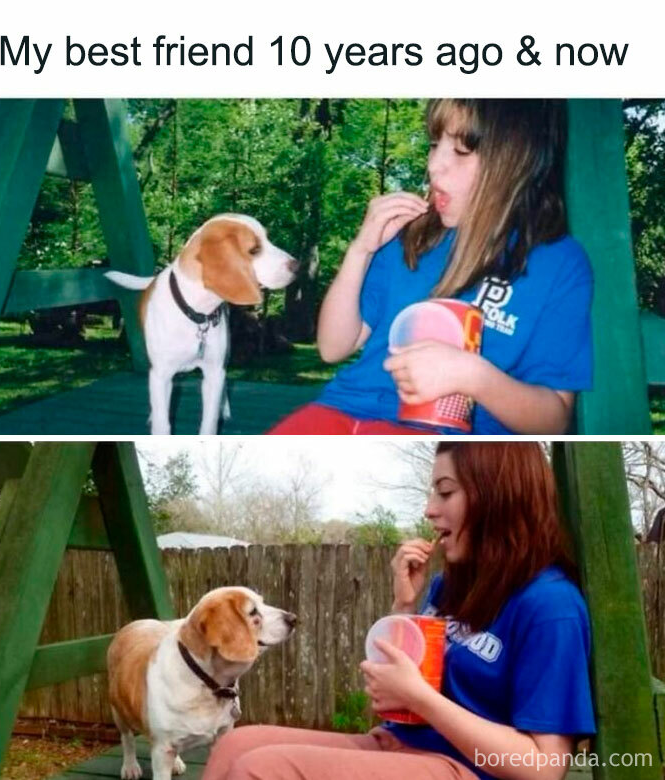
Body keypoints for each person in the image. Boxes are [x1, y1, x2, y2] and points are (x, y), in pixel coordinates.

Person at [200, 442, 596, 780]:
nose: (429, 509)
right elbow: (399, 695)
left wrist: (422, 699)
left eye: (445, 492)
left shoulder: (549, 606)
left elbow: (545, 766)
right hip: (404, 744)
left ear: (498, 495)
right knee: (237, 744)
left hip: (467, 769)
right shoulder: (451, 586)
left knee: (263, 770)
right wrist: (404, 606)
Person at [268, 100, 593, 435]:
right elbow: (332, 348)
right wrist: (361, 250)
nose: (434, 166)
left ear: (517, 159)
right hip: (342, 410)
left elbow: (552, 419)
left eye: (462, 150)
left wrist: (472, 375)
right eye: (435, 144)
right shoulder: (409, 236)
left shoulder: (558, 263)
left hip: (444, 436)